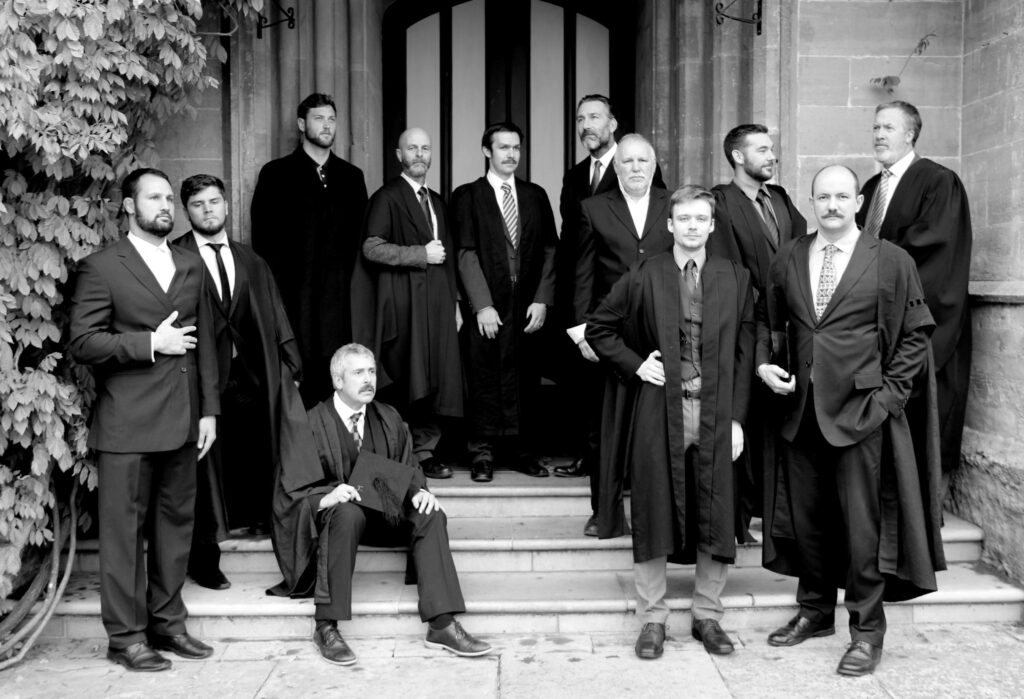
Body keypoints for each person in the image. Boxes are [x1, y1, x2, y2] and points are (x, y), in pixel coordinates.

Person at [756, 165, 945, 677]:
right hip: (801, 412)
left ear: (858, 202)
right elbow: (767, 321)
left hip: (863, 413)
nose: (833, 205)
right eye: (823, 197)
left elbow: (915, 334)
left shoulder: (891, 260)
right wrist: (764, 363)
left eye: (842, 196)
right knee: (808, 521)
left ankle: (866, 632)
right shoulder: (789, 255)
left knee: (864, 529)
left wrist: (889, 398)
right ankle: (815, 612)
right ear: (812, 202)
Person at [587, 185, 755, 659]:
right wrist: (637, 364)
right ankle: (652, 618)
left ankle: (707, 615)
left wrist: (738, 419)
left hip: (717, 409)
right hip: (661, 407)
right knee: (653, 503)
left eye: (701, 219)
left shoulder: (735, 277)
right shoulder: (645, 272)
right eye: (684, 219)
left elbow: (745, 353)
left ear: (712, 225)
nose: (692, 226)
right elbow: (600, 327)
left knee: (716, 507)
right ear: (670, 224)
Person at [68, 168, 219, 671]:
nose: (166, 206)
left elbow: (206, 343)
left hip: (184, 419)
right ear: (130, 206)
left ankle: (168, 624)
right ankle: (126, 638)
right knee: (124, 537)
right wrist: (152, 343)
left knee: (175, 529)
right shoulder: (101, 267)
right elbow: (83, 342)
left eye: (169, 198)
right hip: (127, 425)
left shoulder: (189, 263)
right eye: (154, 198)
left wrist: (209, 411)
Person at [268, 343, 491, 665]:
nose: (368, 379)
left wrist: (419, 490)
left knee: (430, 513)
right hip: (339, 523)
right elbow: (290, 489)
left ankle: (442, 623)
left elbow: (408, 467)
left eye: (371, 371)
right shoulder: (310, 422)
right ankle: (326, 626)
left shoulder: (388, 417)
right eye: (358, 372)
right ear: (338, 380)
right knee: (346, 512)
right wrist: (325, 497)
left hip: (385, 512)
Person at [173, 174, 308, 585]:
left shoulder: (250, 259)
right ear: (186, 211)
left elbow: (275, 312)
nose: (208, 210)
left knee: (255, 450)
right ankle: (204, 559)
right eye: (198, 204)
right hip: (199, 379)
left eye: (214, 201)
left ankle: (257, 519)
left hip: (250, 375)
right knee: (201, 468)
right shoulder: (175, 256)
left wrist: (291, 365)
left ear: (227, 205)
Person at [551, 94, 665, 484]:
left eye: (595, 117)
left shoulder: (644, 171)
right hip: (599, 310)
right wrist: (580, 323)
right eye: (580, 118)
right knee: (593, 393)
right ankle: (595, 464)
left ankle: (636, 474)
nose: (586, 124)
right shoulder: (574, 177)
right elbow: (575, 251)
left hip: (649, 313)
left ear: (613, 124)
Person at [856, 100, 972, 481]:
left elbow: (933, 251)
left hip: (917, 321)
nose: (878, 135)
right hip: (874, 324)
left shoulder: (938, 182)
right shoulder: (871, 188)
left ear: (910, 134)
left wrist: (873, 280)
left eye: (888, 128)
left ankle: (918, 504)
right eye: (876, 128)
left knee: (920, 421)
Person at [568, 133, 674, 536]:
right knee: (603, 430)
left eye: (642, 161)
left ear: (654, 165)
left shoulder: (674, 205)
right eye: (627, 161)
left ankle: (660, 515)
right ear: (616, 167)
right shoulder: (593, 208)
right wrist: (583, 334)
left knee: (659, 427)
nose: (635, 168)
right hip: (608, 335)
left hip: (662, 332)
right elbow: (583, 274)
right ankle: (604, 513)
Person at [707, 124, 807, 540]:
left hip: (789, 325)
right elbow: (727, 267)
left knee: (780, 424)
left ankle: (776, 513)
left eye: (772, 149)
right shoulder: (721, 201)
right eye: (762, 149)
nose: (772, 155)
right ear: (737, 156)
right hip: (746, 326)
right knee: (743, 421)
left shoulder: (779, 198)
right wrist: (757, 317)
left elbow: (802, 250)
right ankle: (737, 520)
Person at [352, 127, 463, 479]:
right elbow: (371, 248)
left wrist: (455, 303)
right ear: (399, 155)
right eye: (411, 148)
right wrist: (419, 254)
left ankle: (426, 453)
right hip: (402, 305)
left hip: (436, 305)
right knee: (404, 379)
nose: (419, 154)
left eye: (425, 148)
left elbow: (448, 257)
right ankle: (399, 458)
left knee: (432, 379)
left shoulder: (438, 201)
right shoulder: (387, 197)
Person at [452, 123, 557, 482]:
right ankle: (482, 454)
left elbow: (550, 249)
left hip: (526, 304)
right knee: (483, 377)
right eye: (503, 147)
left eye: (516, 148)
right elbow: (465, 253)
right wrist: (482, 305)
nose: (511, 154)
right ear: (487, 151)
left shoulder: (535, 195)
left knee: (525, 378)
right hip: (488, 303)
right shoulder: (468, 196)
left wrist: (542, 299)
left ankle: (522, 451)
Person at [251, 93, 369, 407]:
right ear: (302, 124)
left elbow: (361, 242)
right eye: (319, 118)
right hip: (295, 301)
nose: (327, 125)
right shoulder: (276, 174)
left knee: (339, 382)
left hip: (339, 304)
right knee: (297, 388)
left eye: (332, 119)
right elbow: (263, 243)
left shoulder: (352, 177)